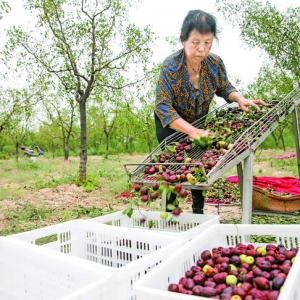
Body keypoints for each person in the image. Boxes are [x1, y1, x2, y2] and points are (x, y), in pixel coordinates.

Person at [154, 9, 266, 214]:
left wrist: (239, 98)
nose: (202, 49)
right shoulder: (170, 66)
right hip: (171, 125)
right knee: (174, 167)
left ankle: (198, 210)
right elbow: (163, 107)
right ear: (183, 40)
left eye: (208, 42)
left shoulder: (215, 63)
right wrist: (191, 131)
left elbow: (225, 87)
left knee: (199, 164)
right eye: (196, 42)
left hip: (199, 122)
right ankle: (171, 209)